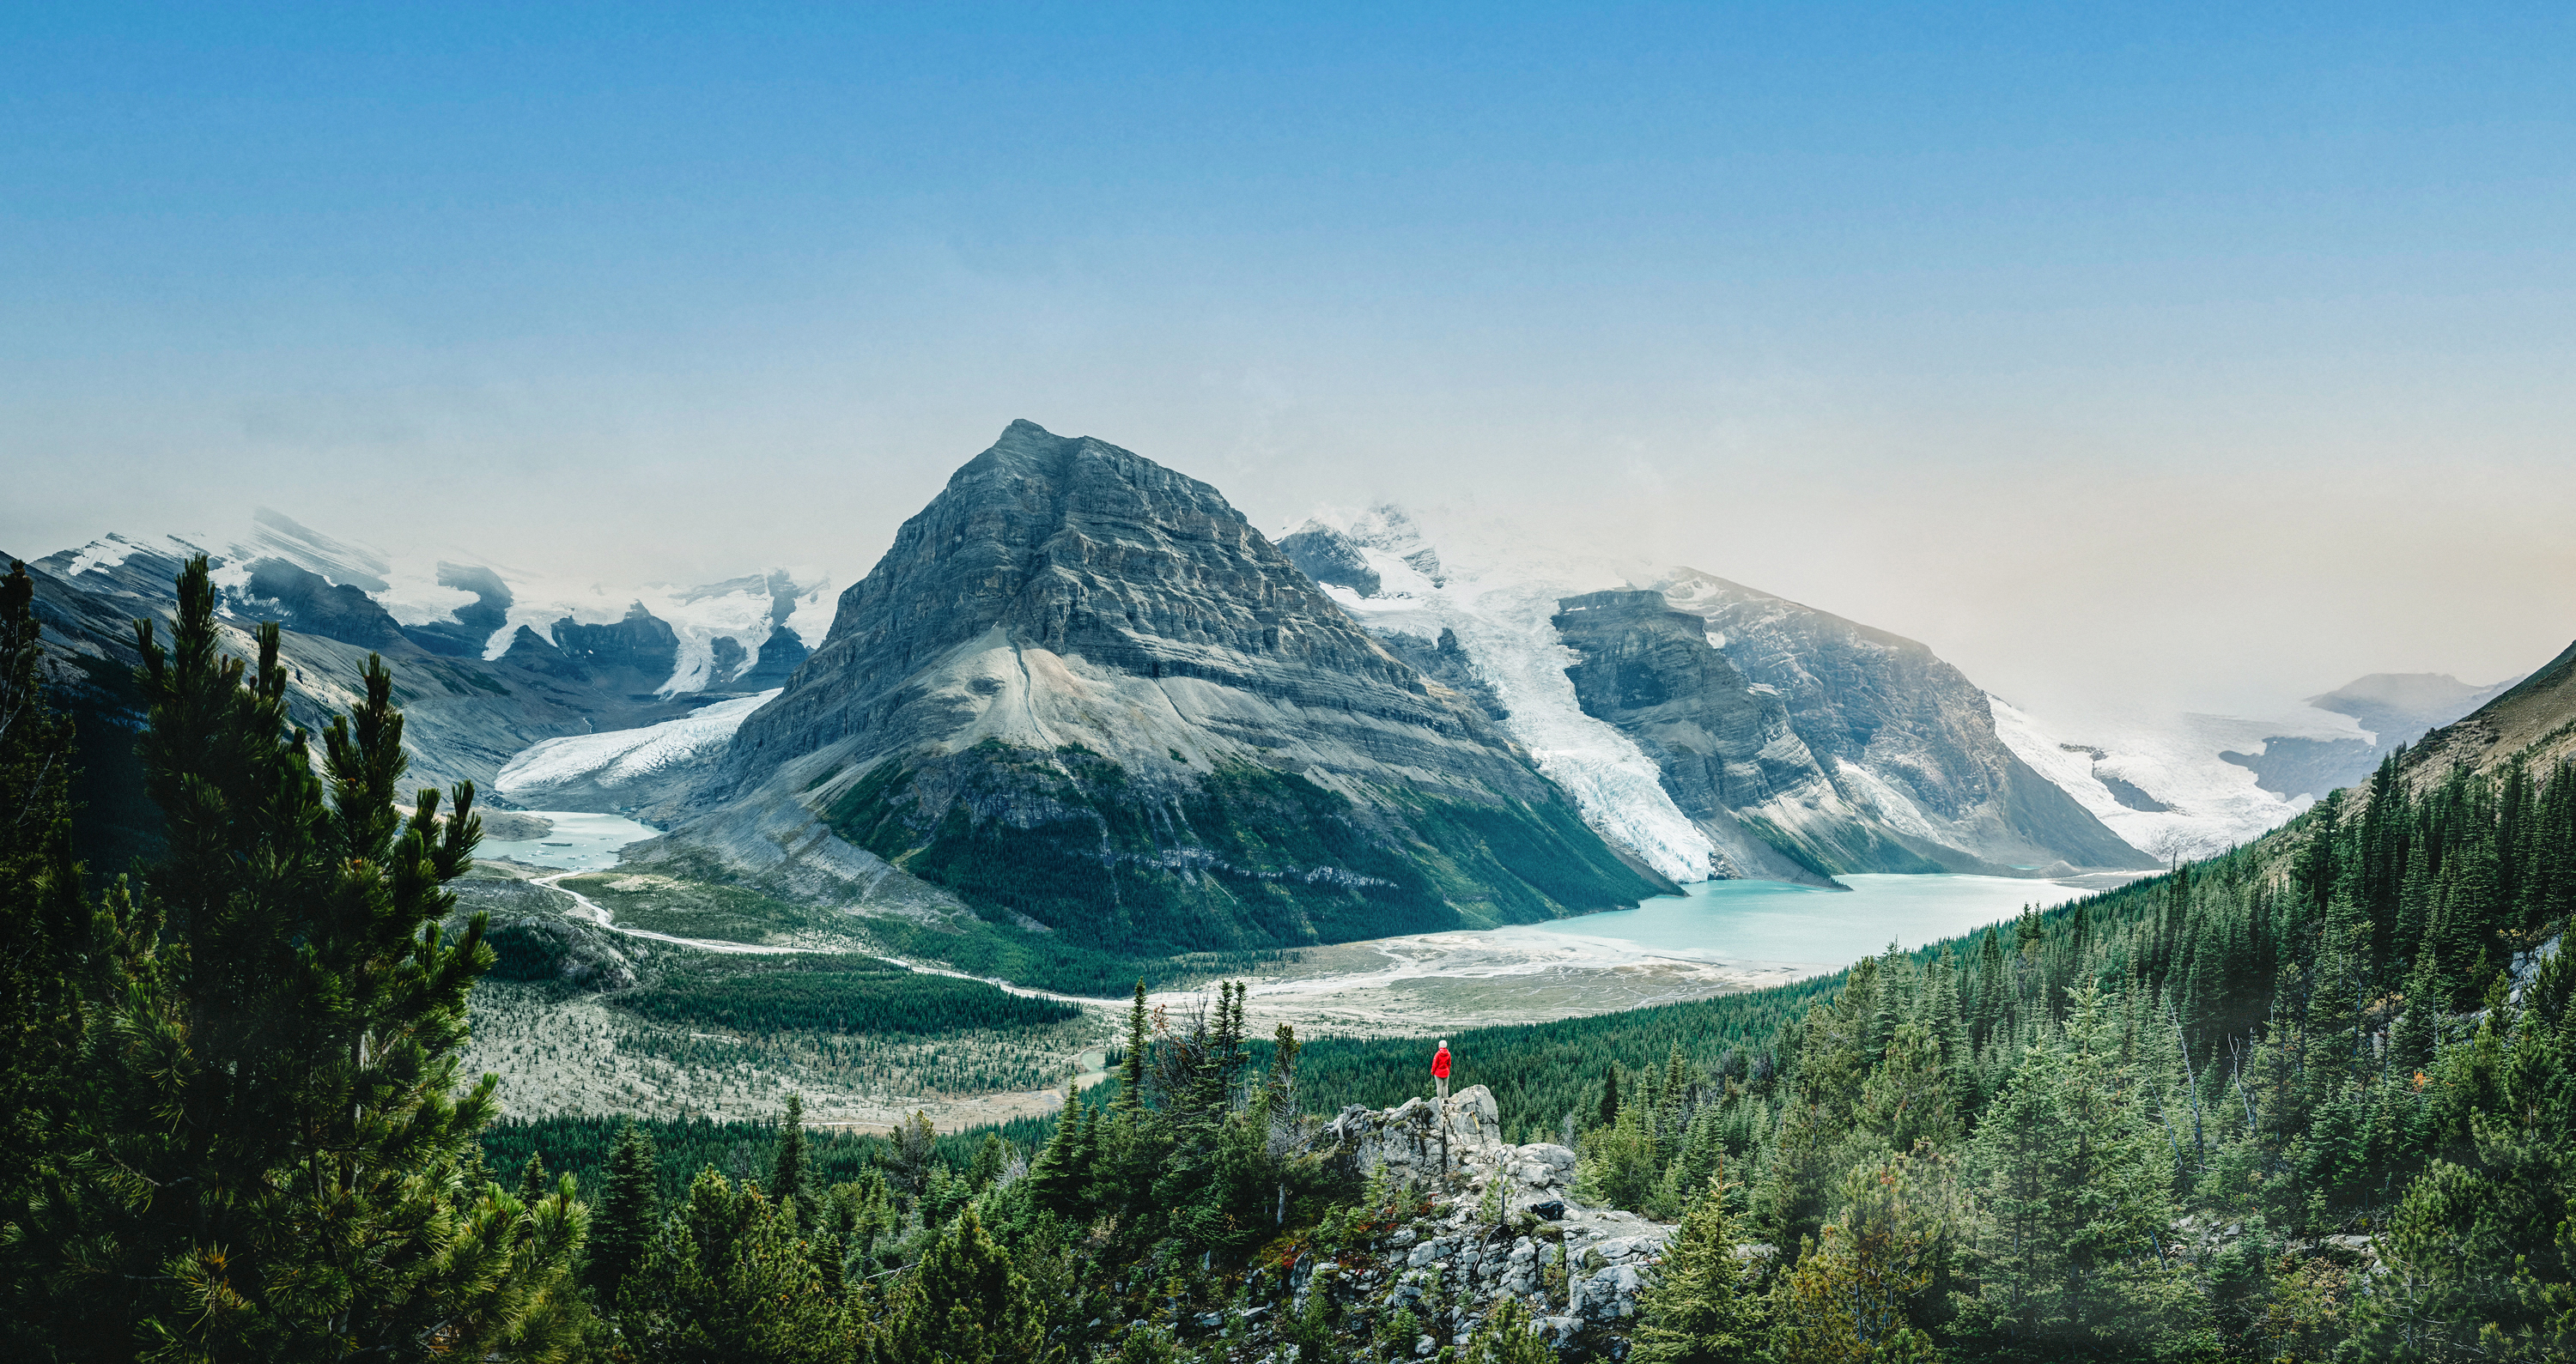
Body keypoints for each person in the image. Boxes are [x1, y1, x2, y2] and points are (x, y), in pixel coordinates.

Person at [1433, 1039, 1452, 1106]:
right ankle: (1446, 1099)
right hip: (1446, 1072)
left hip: (1438, 1073)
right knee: (1445, 1086)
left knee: (1439, 1086)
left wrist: (1433, 1072)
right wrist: (1448, 1070)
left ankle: (1439, 1100)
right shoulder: (1448, 1054)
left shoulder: (1438, 1054)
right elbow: (1449, 1064)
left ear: (1440, 1046)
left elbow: (1434, 1064)